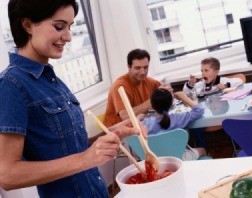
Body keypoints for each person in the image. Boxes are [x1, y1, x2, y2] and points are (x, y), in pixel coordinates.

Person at [0, 0, 144, 197]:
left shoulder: (52, 80)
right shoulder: (10, 84)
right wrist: (87, 159)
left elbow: (72, 147)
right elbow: (7, 175)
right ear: (27, 25)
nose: (68, 37)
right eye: (59, 26)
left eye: (70, 27)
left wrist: (113, 133)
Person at [183, 57, 244, 151]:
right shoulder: (200, 85)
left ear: (216, 72)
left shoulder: (222, 81)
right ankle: (201, 150)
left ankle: (240, 147)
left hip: (222, 112)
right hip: (206, 114)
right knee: (195, 125)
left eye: (206, 70)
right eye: (202, 70)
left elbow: (239, 81)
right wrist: (190, 83)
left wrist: (226, 85)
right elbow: (186, 92)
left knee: (234, 121)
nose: (203, 73)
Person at [104, 48, 172, 127]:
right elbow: (125, 116)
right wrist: (151, 101)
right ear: (129, 67)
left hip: (140, 124)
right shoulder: (119, 86)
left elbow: (167, 90)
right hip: (119, 132)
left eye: (145, 67)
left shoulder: (148, 81)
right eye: (138, 68)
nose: (143, 72)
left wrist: (168, 92)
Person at [141, 88, 208, 159]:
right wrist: (184, 97)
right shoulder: (178, 118)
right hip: (181, 158)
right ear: (171, 103)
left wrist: (137, 118)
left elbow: (132, 127)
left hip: (158, 160)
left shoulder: (145, 123)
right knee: (202, 150)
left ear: (152, 105)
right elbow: (199, 110)